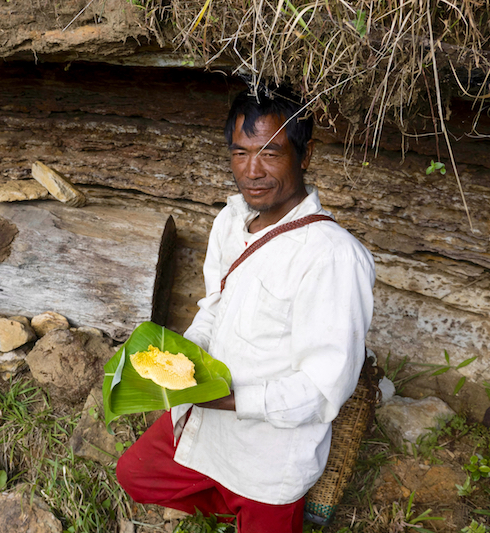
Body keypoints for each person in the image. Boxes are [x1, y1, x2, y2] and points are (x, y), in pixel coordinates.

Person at [116, 86, 375, 533]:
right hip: (206, 428)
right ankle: (228, 507)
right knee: (134, 475)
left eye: (270, 153)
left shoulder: (331, 256)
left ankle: (257, 510)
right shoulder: (230, 221)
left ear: (305, 153)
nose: (251, 171)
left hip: (269, 459)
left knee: (263, 514)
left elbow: (321, 388)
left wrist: (227, 400)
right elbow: (214, 306)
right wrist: (179, 361)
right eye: (240, 153)